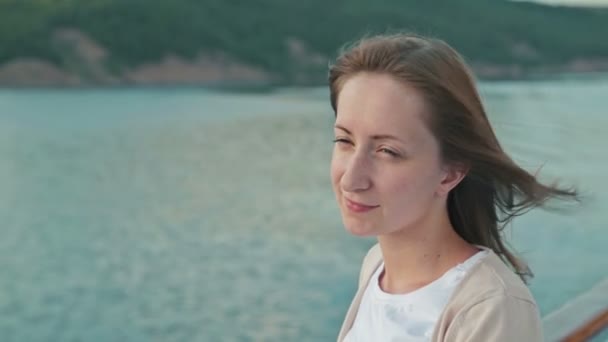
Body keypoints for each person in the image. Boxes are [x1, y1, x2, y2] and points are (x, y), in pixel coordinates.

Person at [328, 33, 578, 342]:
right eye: (344, 141)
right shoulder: (375, 266)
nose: (351, 179)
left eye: (388, 151)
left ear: (450, 172)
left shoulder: (492, 309)